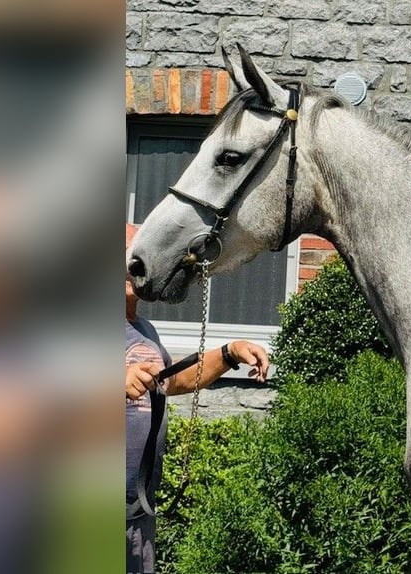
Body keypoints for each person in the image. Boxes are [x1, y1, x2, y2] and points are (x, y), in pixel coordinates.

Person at [125, 223, 269, 573]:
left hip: (136, 510)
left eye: (137, 259)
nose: (131, 268)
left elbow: (173, 382)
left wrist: (230, 353)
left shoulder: (145, 331)